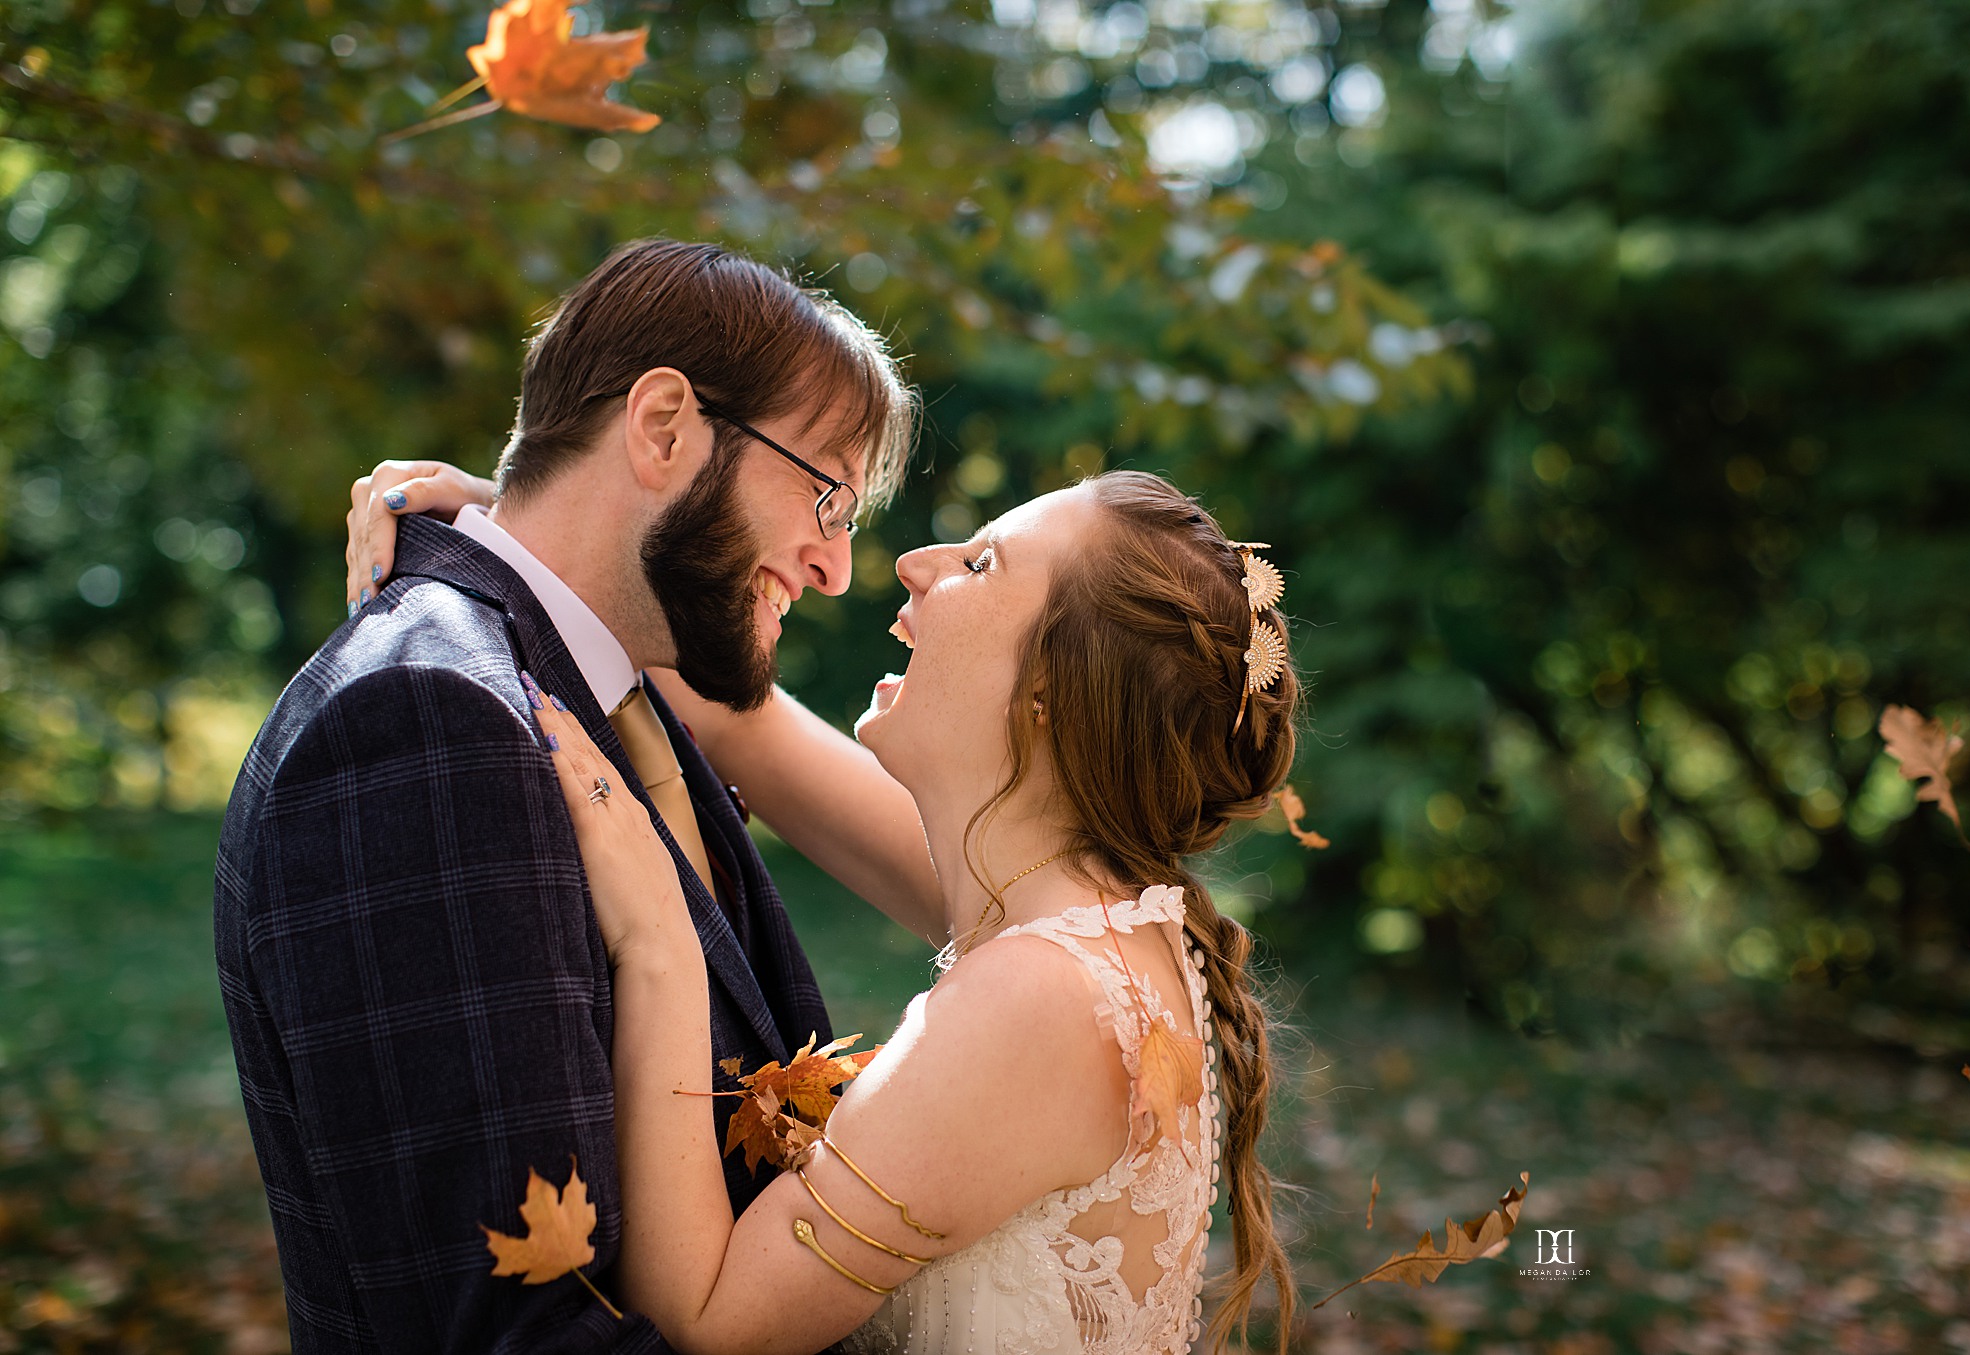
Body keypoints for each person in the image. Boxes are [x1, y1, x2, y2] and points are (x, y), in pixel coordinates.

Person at [364, 468, 1304, 1354]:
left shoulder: (1039, 994)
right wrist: (528, 535)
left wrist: (659, 937)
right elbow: (738, 713)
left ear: (1052, 688)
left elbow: (715, 1317)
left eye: (980, 563)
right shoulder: (1090, 916)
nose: (913, 563)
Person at [215, 237, 917, 1352]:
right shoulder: (429, 722)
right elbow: (520, 1329)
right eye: (826, 492)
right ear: (662, 426)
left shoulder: (602, 694)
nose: (835, 564)